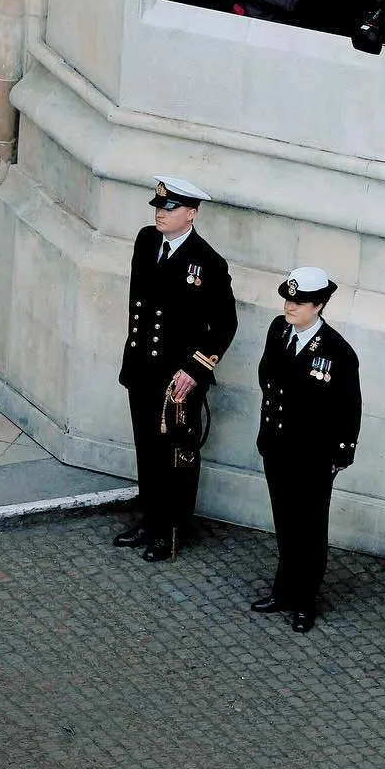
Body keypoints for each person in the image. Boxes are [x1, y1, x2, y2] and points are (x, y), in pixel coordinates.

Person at [114, 177, 237, 562]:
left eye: (169, 209)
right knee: (148, 450)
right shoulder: (146, 241)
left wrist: (195, 370)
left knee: (177, 456)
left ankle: (172, 531)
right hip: (142, 370)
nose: (160, 213)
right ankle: (150, 521)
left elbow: (223, 325)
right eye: (159, 207)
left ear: (191, 214)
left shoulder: (209, 264)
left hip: (177, 380)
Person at [250, 268, 361, 634]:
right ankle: (284, 591)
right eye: (287, 298)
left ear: (319, 305)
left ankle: (305, 601)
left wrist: (340, 454)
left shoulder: (337, 352)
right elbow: (268, 378)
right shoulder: (278, 330)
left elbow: (348, 408)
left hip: (312, 455)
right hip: (278, 447)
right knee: (285, 521)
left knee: (310, 529)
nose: (289, 306)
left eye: (298, 301)